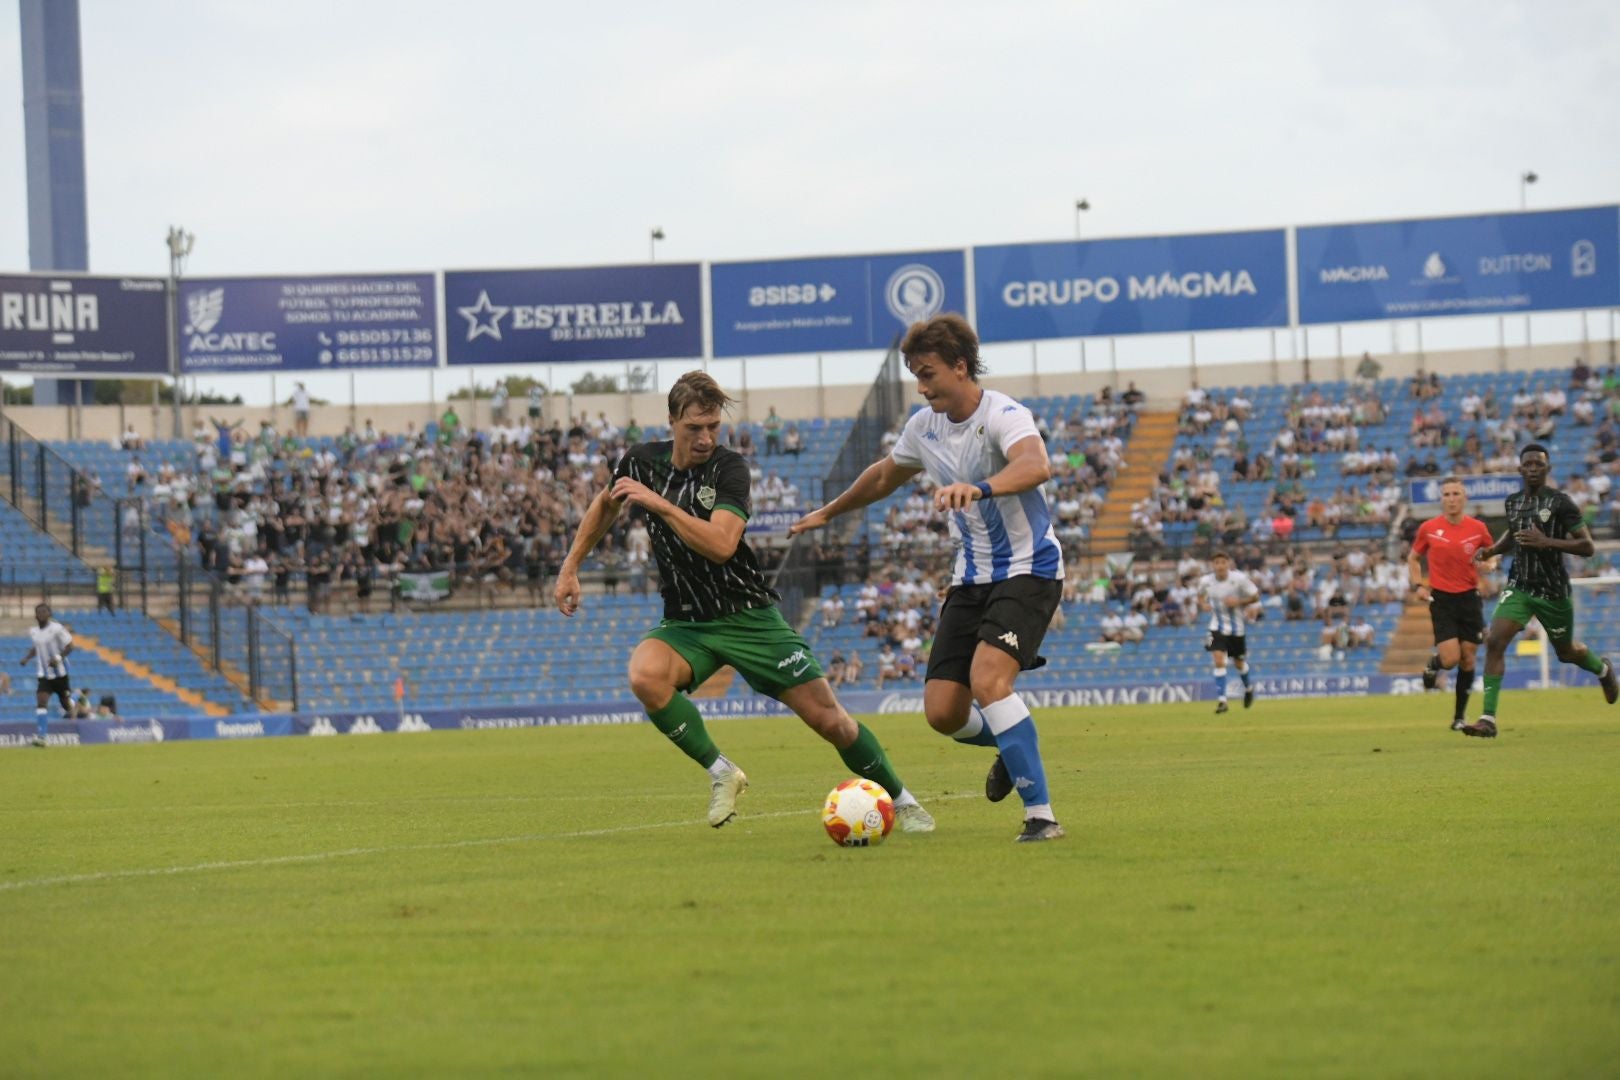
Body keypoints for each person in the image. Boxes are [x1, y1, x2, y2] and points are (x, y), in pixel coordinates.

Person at [554, 371, 934, 834]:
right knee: (645, 675)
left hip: (748, 617)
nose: (705, 438)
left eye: (713, 426)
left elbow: (721, 545)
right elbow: (606, 503)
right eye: (694, 428)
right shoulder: (640, 461)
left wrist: (660, 504)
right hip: (687, 623)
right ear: (672, 421)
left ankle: (904, 802)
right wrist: (571, 565)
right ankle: (723, 773)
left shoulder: (729, 468)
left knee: (831, 721)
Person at [791, 313, 1065, 842]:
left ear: (961, 366)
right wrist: (830, 511)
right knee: (943, 713)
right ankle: (1012, 742)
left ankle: (1041, 817)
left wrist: (981, 487)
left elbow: (1036, 465)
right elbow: (884, 476)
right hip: (970, 577)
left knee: (989, 682)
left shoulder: (1005, 414)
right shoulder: (923, 427)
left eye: (928, 373)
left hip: (1029, 568)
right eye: (916, 375)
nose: (921, 386)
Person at [1460, 443, 1619, 736]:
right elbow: (1514, 534)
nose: (1533, 469)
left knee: (1566, 652)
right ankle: (1488, 720)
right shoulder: (1513, 502)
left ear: (1547, 469)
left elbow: (1587, 546)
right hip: (1520, 586)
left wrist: (1547, 542)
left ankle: (1603, 670)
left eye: (1538, 465)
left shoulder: (1560, 502)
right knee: (1494, 641)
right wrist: (1492, 550)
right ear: (1520, 469)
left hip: (1553, 591)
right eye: (1528, 464)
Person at [1408, 477, 1494, 730]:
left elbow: (1492, 554)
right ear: (1441, 499)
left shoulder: (1478, 528)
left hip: (1469, 599)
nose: (1451, 499)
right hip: (1442, 599)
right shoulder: (1429, 528)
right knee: (1450, 659)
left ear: (1465, 498)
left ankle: (1458, 718)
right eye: (1446, 494)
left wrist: (1489, 564)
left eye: (1456, 493)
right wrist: (1418, 585)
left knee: (1468, 659)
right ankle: (1434, 664)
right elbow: (1413, 558)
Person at [1197, 551, 1260, 714]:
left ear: (1228, 564)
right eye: (1216, 563)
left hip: (1236, 629)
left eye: (1223, 562)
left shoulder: (1239, 579)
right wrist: (1203, 604)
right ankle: (1222, 701)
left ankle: (1248, 688)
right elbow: (1200, 596)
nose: (1220, 566)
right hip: (1216, 627)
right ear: (1213, 565)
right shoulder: (1206, 581)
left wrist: (1239, 601)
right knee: (1218, 659)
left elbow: (1255, 596)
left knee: (1239, 663)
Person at [20, 603, 74, 747]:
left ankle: (71, 702)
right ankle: (42, 736)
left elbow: (70, 646)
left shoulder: (57, 628)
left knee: (66, 705)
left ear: (49, 613)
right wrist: (26, 658)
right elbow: (37, 648)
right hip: (44, 675)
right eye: (39, 612)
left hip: (60, 674)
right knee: (41, 701)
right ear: (35, 615)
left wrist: (58, 658)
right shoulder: (34, 632)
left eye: (44, 611)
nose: (42, 614)